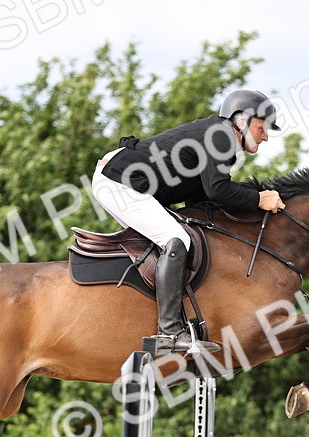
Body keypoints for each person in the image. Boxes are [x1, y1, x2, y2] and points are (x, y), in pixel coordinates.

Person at [92, 89, 287, 353]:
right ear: (241, 120)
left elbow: (200, 201)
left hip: (122, 178)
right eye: (261, 127)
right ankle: (169, 333)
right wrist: (258, 200)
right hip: (120, 181)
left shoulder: (218, 137)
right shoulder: (220, 137)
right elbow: (218, 190)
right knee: (177, 239)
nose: (265, 136)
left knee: (177, 236)